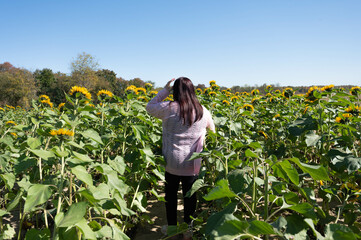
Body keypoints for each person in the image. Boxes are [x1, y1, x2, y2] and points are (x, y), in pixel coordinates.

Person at [146, 77, 215, 240]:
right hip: (192, 163)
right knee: (190, 198)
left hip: (171, 162)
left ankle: (172, 230)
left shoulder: (168, 107)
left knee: (170, 197)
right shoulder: (203, 111)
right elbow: (213, 132)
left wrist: (165, 91)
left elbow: (149, 107)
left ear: (175, 91)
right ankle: (188, 232)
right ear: (193, 91)